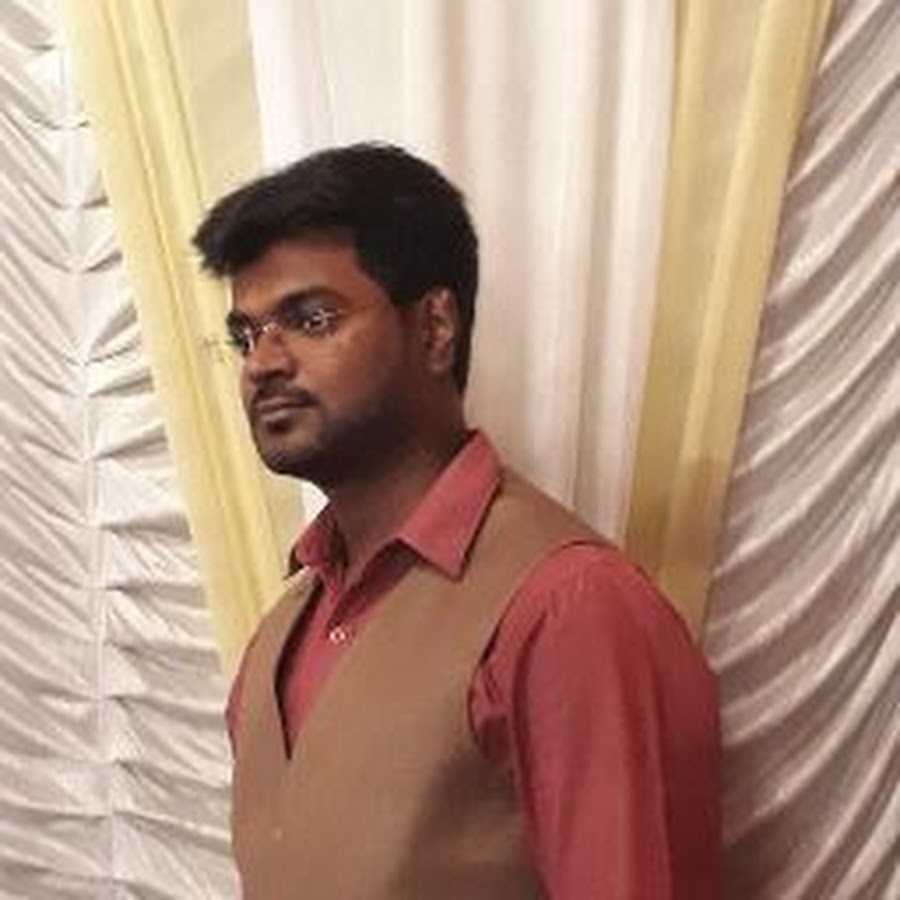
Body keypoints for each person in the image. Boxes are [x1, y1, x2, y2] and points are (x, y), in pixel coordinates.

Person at [193, 143, 721, 899]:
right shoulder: (284, 628)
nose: (262, 363)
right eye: (246, 335)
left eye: (310, 319)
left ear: (436, 328)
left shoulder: (568, 608)